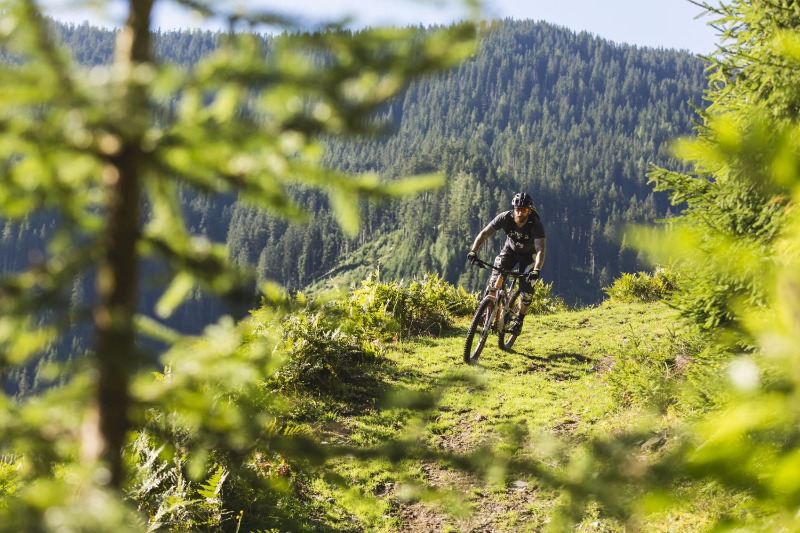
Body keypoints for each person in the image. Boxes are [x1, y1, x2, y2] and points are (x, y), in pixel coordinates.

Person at [467, 192, 546, 335]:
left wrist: (536, 270)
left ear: (529, 210)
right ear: (514, 209)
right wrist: (473, 251)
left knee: (527, 290)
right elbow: (485, 233)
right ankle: (487, 312)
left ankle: (519, 320)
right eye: (518, 209)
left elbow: (541, 249)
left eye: (524, 210)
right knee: (493, 282)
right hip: (509, 251)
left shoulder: (535, 224)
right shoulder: (505, 218)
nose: (520, 213)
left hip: (529, 257)